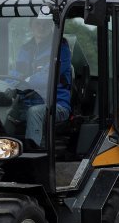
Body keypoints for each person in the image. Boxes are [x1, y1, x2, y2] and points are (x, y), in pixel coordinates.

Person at [5, 17, 72, 148]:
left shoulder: (60, 49)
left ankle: (34, 152)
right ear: (31, 26)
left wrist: (26, 80)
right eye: (38, 24)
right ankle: (2, 152)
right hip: (27, 102)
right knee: (0, 107)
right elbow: (15, 74)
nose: (41, 27)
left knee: (34, 112)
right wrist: (8, 84)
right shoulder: (25, 49)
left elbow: (47, 77)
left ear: (52, 26)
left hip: (56, 105)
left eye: (46, 24)